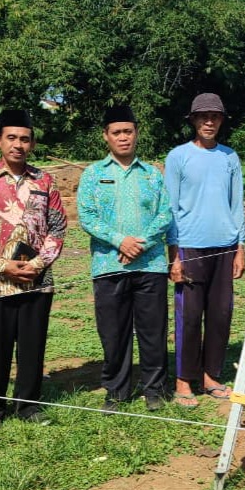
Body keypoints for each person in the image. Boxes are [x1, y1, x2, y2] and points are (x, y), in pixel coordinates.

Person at [0, 109, 66, 425]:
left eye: (24, 139)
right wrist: (2, 265)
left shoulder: (44, 181)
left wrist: (38, 264)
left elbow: (57, 227)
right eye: (11, 138)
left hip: (37, 280)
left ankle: (28, 406)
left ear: (32, 144)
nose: (18, 144)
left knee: (32, 346)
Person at [78, 105, 172, 412]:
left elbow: (165, 214)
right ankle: (116, 391)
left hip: (150, 264)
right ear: (105, 136)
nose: (123, 137)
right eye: (116, 132)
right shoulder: (93, 174)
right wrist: (120, 241)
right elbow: (87, 217)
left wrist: (140, 244)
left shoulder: (152, 175)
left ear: (136, 134)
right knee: (113, 332)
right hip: (109, 265)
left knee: (153, 330)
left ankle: (155, 389)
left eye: (128, 132)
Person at [165, 93, 245, 407]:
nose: (209, 122)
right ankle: (184, 380)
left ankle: (211, 375)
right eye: (203, 117)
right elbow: (170, 208)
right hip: (190, 246)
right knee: (189, 315)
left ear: (221, 121)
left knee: (220, 314)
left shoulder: (230, 157)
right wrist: (174, 256)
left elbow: (236, 205)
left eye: (214, 117)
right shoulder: (178, 157)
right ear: (194, 121)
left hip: (224, 247)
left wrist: (240, 248)